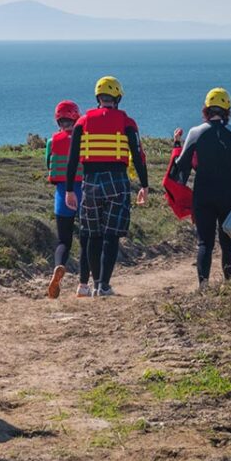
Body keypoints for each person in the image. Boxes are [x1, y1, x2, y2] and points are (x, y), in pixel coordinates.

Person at [64, 76, 149, 297]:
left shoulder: (82, 122)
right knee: (111, 235)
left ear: (98, 97)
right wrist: (144, 184)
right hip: (117, 180)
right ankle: (104, 285)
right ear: (117, 97)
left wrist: (69, 190)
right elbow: (138, 156)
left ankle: (93, 285)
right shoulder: (127, 122)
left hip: (90, 182)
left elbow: (72, 158)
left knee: (93, 235)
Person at [171, 88, 231, 290]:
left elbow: (182, 166)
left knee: (205, 243)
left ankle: (203, 287)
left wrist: (176, 144)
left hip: (203, 195)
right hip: (229, 195)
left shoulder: (195, 133)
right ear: (227, 110)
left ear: (206, 109)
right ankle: (230, 286)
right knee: (227, 243)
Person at [45, 100, 91, 298]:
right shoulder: (85, 139)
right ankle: (83, 285)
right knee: (86, 240)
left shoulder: (51, 141)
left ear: (58, 121)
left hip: (62, 194)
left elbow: (49, 164)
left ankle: (59, 266)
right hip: (84, 192)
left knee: (64, 241)